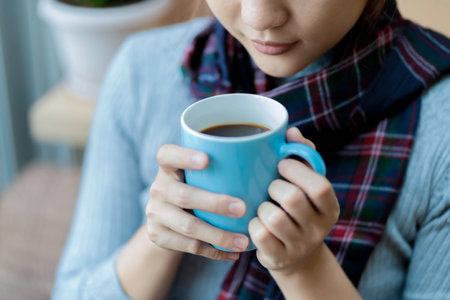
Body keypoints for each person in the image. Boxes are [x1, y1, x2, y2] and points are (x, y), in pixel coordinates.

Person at [51, 0, 450, 299]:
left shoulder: (440, 129)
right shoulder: (142, 71)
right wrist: (159, 239)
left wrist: (303, 267)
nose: (260, 17)